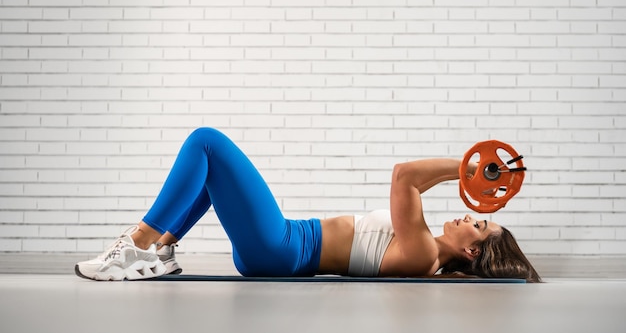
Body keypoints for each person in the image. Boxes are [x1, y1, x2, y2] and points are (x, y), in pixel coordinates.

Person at [75, 127, 541, 283]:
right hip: (279, 245)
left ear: (472, 253)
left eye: (478, 226)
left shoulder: (423, 252)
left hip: (281, 248)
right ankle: (159, 251)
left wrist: (467, 169)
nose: (469, 216)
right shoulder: (423, 242)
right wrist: (468, 172)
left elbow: (405, 176)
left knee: (207, 143)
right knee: (212, 173)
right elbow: (411, 182)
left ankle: (133, 245)